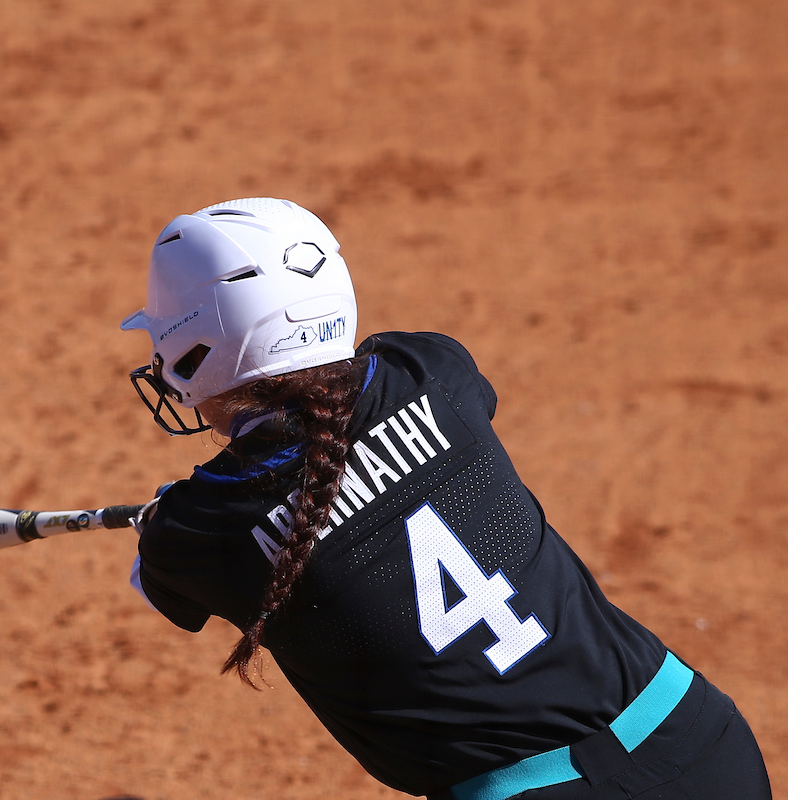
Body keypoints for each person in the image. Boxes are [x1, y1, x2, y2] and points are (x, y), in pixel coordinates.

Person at [119, 198, 772, 800]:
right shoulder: (428, 368)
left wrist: (171, 517)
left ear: (192, 351)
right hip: (702, 740)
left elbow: (170, 575)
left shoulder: (201, 528)